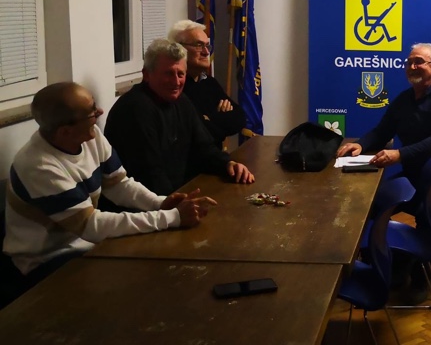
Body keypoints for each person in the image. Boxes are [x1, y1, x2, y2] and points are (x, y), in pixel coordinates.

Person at [2, 82, 215, 296]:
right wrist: (172, 217)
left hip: (85, 243)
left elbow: (119, 184)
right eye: (91, 112)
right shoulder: (39, 167)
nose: (100, 112)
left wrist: (159, 203)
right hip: (47, 260)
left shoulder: (89, 135)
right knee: (140, 285)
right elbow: (91, 225)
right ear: (66, 131)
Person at [336, 43, 431, 303]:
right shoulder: (404, 99)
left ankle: (422, 273)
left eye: (419, 61)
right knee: (372, 203)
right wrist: (361, 144)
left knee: (430, 209)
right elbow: (382, 131)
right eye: (409, 62)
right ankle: (385, 264)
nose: (412, 66)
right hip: (416, 174)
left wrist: (400, 154)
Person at [105, 39, 254, 197]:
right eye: (168, 73)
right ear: (147, 74)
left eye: (181, 74)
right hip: (142, 204)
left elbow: (204, 147)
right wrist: (178, 206)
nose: (176, 82)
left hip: (174, 195)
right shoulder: (135, 109)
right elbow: (150, 175)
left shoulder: (181, 101)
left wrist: (227, 164)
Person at [167, 20, 246, 149]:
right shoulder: (174, 87)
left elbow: (240, 117)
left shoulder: (208, 82)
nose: (206, 52)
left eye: (207, 46)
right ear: (178, 49)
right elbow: (196, 136)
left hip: (215, 157)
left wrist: (209, 119)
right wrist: (219, 119)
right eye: (198, 45)